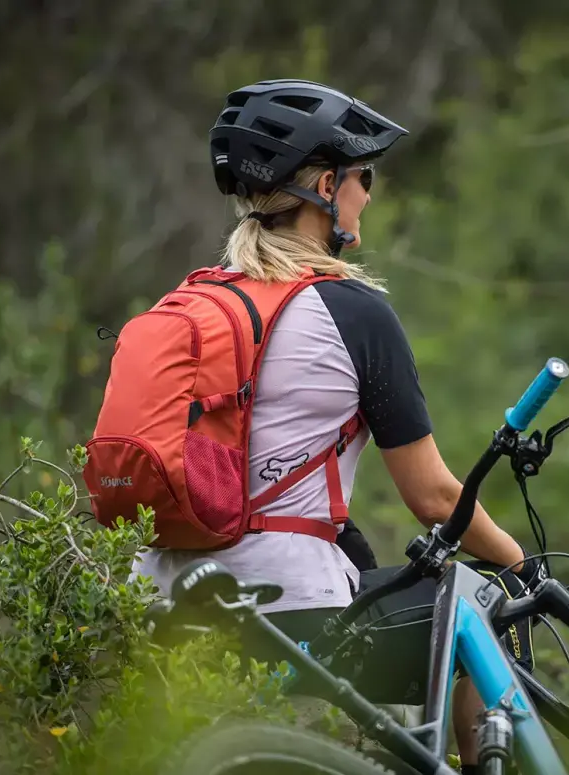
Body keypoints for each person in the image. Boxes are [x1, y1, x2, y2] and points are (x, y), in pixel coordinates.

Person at [134, 79, 538, 775]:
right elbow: (435, 498)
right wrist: (517, 562)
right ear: (326, 184)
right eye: (363, 177)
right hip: (291, 618)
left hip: (161, 605)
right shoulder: (351, 312)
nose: (369, 195)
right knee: (481, 601)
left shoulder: (190, 303)